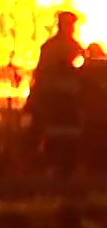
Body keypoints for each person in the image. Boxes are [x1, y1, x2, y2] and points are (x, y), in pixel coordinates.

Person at [28, 11, 85, 179]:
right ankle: (59, 167)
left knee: (62, 133)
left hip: (60, 98)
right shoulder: (61, 47)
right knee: (59, 133)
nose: (72, 29)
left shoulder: (59, 46)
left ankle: (60, 166)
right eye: (70, 25)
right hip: (59, 99)